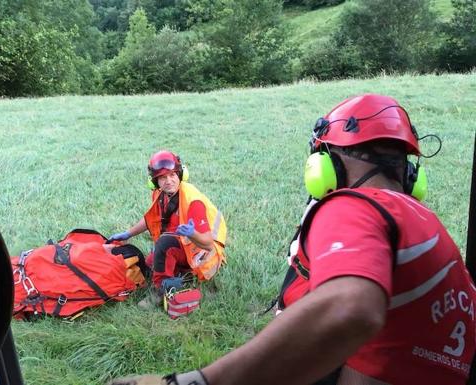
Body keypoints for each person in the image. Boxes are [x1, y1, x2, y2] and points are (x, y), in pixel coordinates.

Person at [107, 94, 476, 385]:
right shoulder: (430, 223)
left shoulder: (353, 207)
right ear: (410, 174)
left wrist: (200, 380)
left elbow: (351, 309)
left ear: (327, 164)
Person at [109, 150, 227, 307]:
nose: (169, 181)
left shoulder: (193, 201)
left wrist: (192, 233)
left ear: (180, 174)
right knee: (150, 265)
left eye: (172, 175)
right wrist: (127, 234)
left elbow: (207, 244)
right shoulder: (160, 194)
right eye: (163, 177)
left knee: (164, 245)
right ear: (155, 181)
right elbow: (151, 218)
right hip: (182, 244)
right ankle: (182, 275)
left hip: (202, 253)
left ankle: (161, 292)